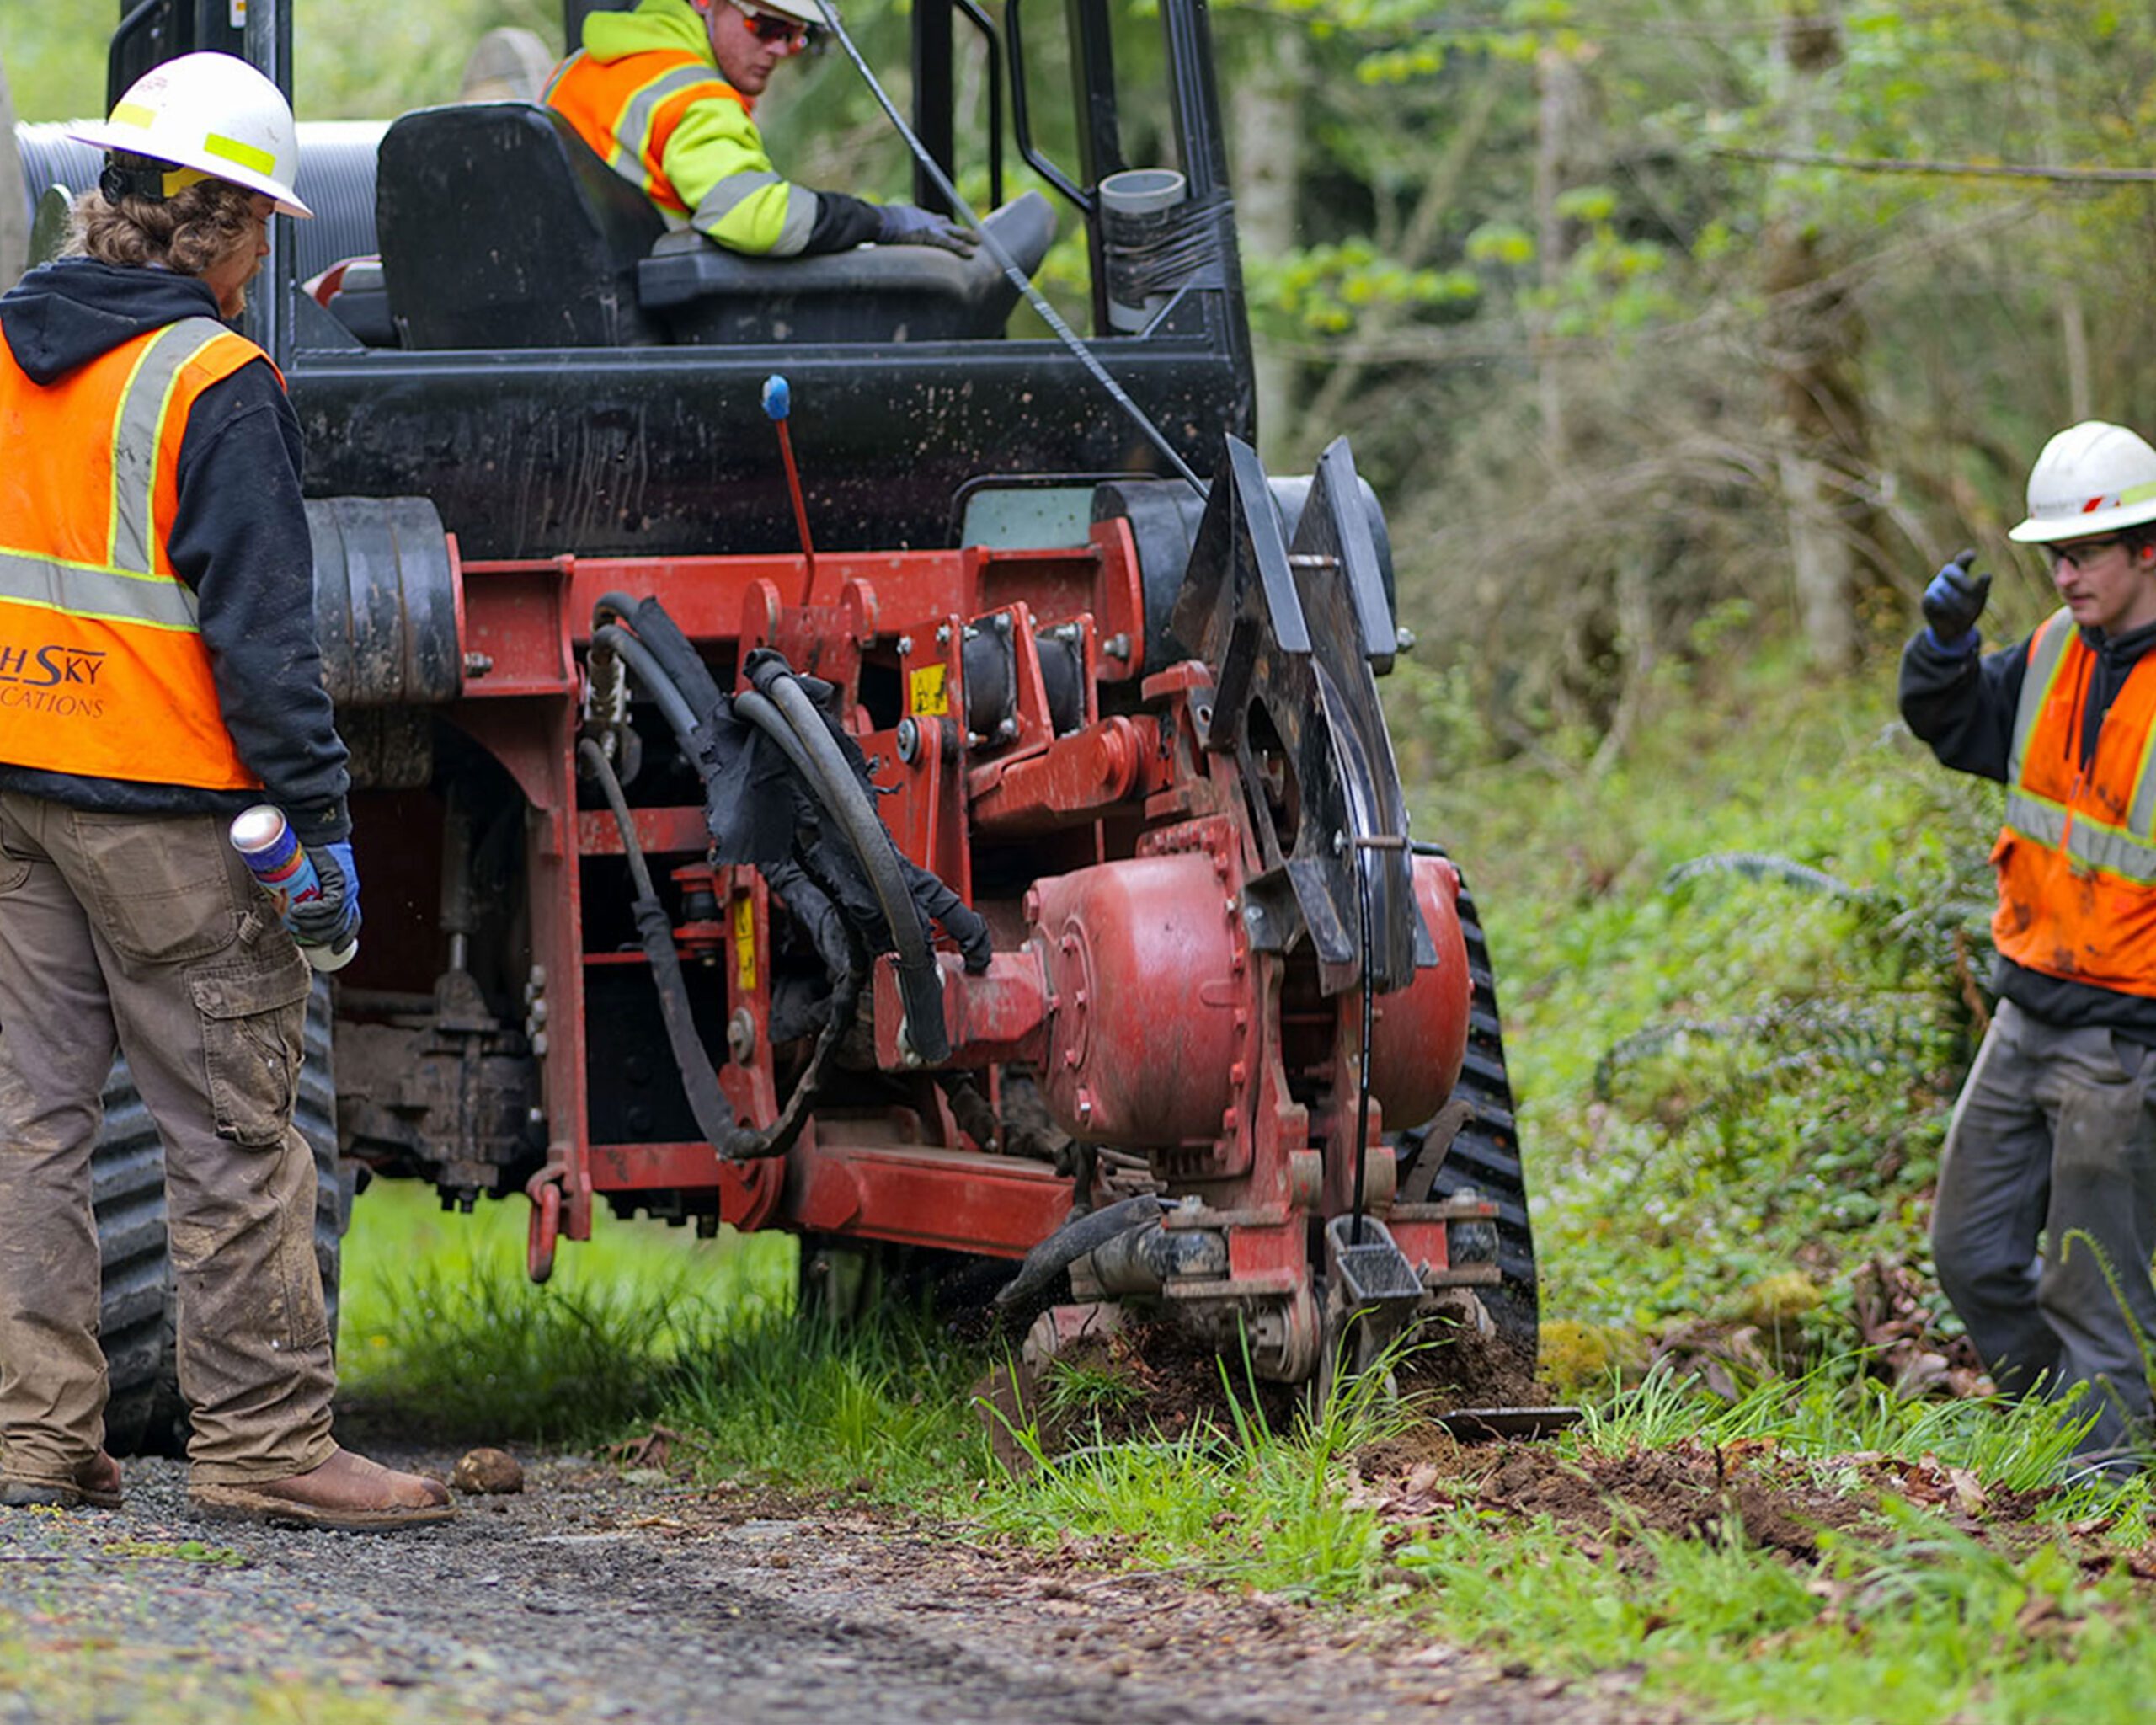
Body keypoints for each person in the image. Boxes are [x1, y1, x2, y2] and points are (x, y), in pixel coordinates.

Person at [0, 52, 451, 1529]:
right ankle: (264, 1443)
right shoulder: (213, 380)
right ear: (222, 228)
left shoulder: (6, 345)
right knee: (236, 1134)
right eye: (261, 227)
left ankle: (36, 1436)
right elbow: (264, 643)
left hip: (18, 797)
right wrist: (320, 822)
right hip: (174, 816)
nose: (265, 258)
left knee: (34, 1125)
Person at [1902, 419, 2156, 1477]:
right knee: (1971, 1255)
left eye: (2085, 552)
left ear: (2148, 548)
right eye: (2052, 554)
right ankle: (2069, 1435)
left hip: (2121, 1039)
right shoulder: (2052, 651)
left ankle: (2106, 1488)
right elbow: (1951, 722)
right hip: (2024, 1013)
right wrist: (1943, 648)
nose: (2064, 574)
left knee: (2095, 1286)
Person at [544, 0, 976, 258]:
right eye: (766, 27)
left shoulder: (575, 71)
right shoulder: (693, 96)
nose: (780, 50)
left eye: (795, 36)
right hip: (640, 343)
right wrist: (879, 222)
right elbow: (754, 218)